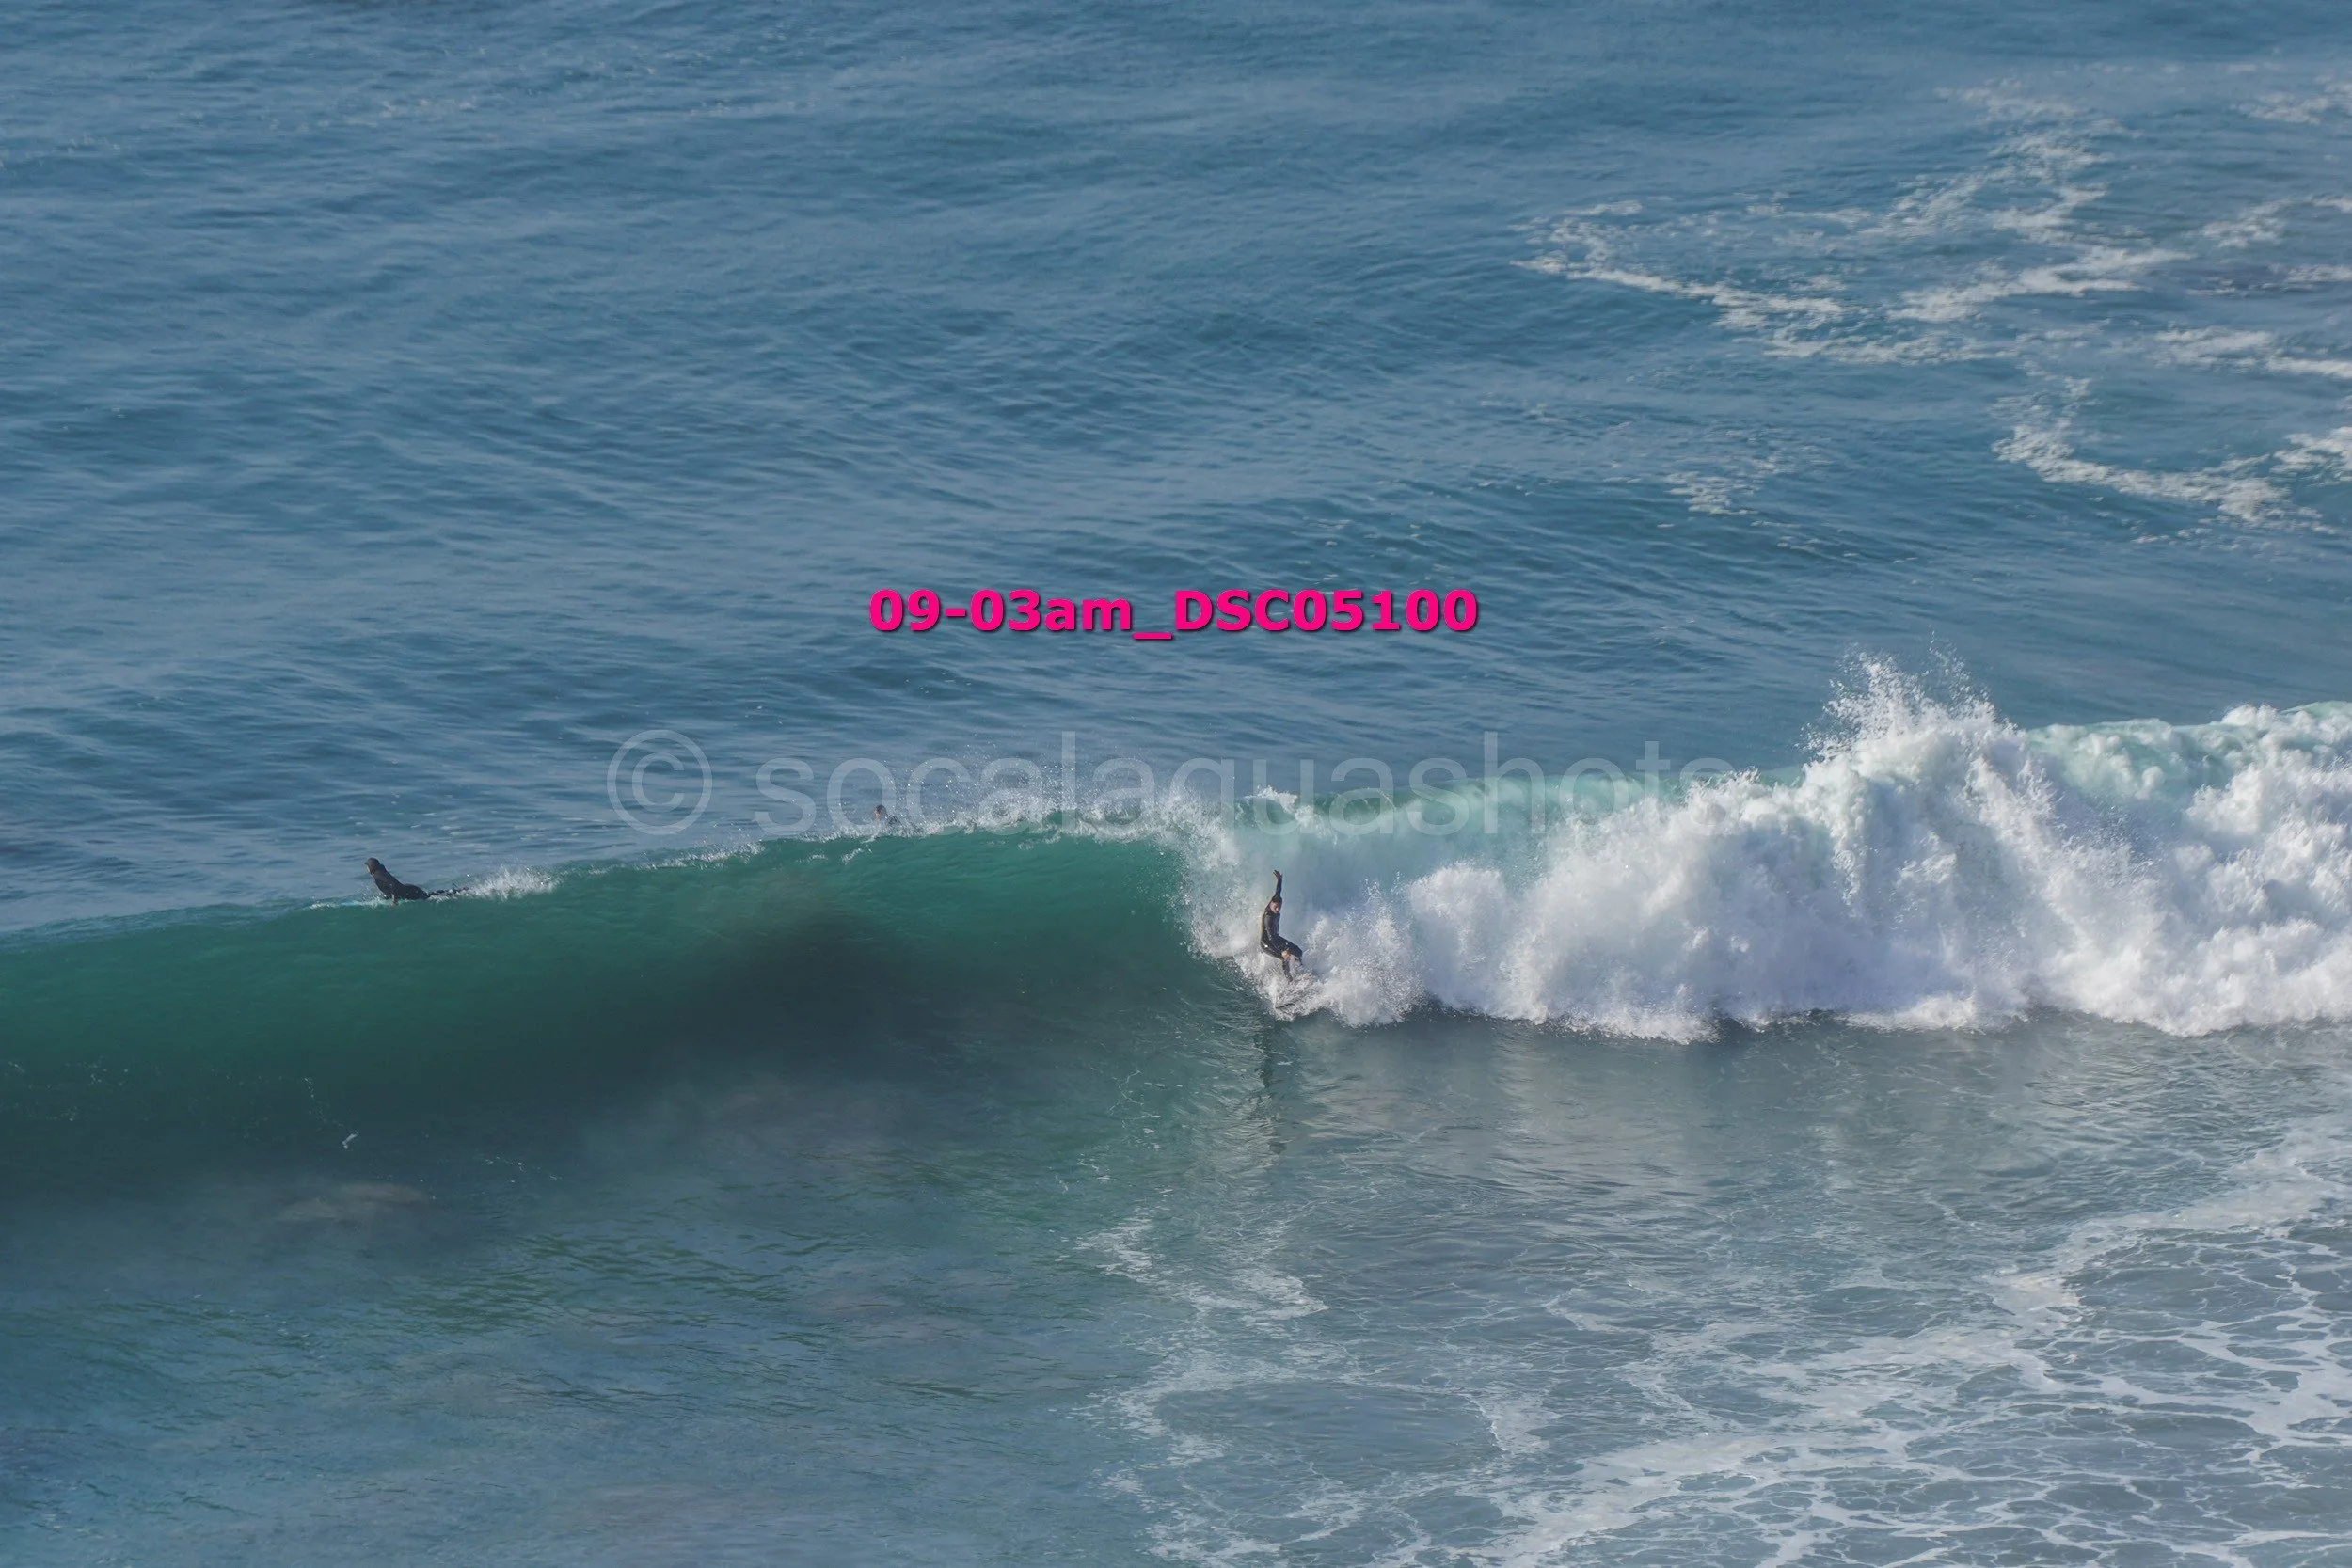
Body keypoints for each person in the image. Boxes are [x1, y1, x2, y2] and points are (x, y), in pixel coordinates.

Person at [1260, 871, 1303, 976]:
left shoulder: (1276, 901)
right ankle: (1289, 981)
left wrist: (1279, 880)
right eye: (1275, 907)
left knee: (1298, 952)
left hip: (1276, 938)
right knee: (1285, 958)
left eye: (1279, 906)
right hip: (1267, 943)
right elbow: (1271, 938)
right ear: (1270, 905)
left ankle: (1301, 969)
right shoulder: (1269, 918)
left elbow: (1278, 891)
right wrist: (1283, 951)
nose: (1278, 909)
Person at [364, 858, 439, 903]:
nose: (366, 868)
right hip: (409, 889)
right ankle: (448, 892)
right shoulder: (380, 871)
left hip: (410, 893)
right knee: (430, 895)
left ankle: (449, 894)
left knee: (431, 897)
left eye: (367, 866)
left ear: (371, 867)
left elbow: (393, 884)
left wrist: (394, 900)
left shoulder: (378, 876)